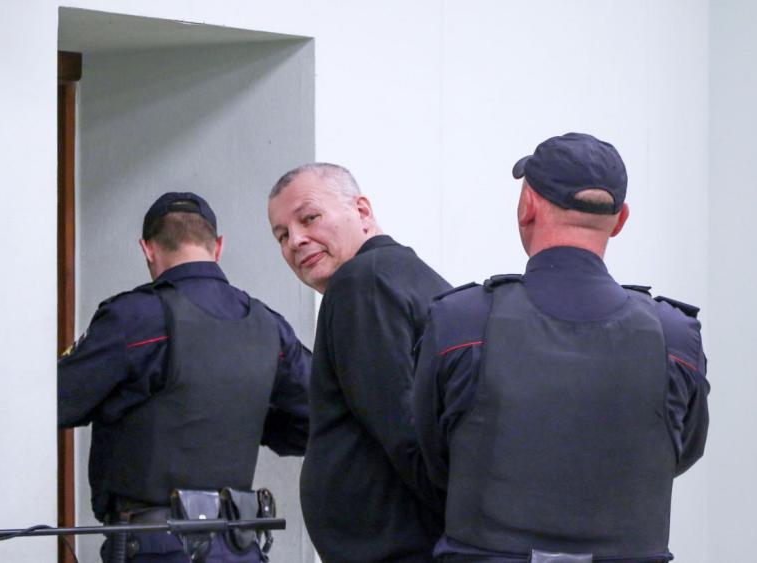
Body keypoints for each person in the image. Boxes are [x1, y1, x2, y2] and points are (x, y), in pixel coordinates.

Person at [413, 133, 710, 563]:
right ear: (621, 218)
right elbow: (682, 450)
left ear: (527, 205)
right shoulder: (675, 336)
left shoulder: (460, 322)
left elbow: (435, 457)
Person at [58, 192, 311, 563]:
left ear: (147, 248)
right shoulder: (269, 326)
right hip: (239, 544)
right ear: (218, 246)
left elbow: (58, 401)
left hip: (155, 545)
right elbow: (315, 418)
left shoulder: (133, 319)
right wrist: (243, 416)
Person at [267, 163, 451, 562]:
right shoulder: (419, 279)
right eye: (281, 235)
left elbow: (405, 429)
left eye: (309, 218)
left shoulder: (360, 282)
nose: (295, 241)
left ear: (363, 211)